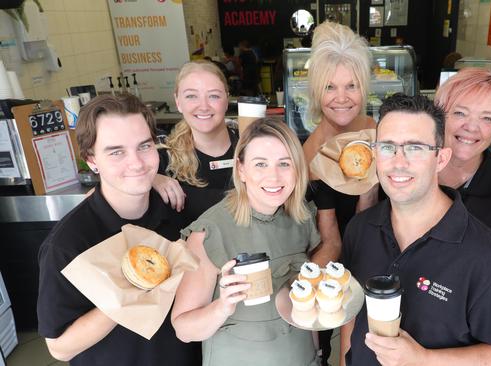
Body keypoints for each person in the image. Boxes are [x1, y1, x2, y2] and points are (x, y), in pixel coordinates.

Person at [340, 93, 491, 366]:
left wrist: (423, 359)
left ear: (441, 159)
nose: (398, 162)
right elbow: (351, 317)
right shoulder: (359, 229)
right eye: (387, 147)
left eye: (415, 148)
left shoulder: (484, 255)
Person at [37, 94, 200, 365]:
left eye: (144, 146)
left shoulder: (177, 211)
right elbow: (60, 348)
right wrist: (126, 293)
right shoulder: (68, 243)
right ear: (91, 159)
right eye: (116, 152)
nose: (136, 162)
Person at [171, 118, 321, 365]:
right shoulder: (210, 231)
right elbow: (184, 330)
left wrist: (317, 353)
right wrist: (222, 306)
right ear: (241, 169)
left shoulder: (300, 219)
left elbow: (305, 310)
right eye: (260, 164)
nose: (273, 176)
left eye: (284, 163)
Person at [301, 21, 378, 364]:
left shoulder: (380, 134)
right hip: (330, 271)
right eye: (330, 86)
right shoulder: (309, 155)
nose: (342, 97)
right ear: (317, 92)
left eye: (352, 85)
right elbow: (324, 240)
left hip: (380, 262)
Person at [435, 67, 491, 242]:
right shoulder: (412, 166)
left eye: (487, 118)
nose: (472, 127)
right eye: (460, 113)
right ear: (439, 117)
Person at [154, 60, 238, 225]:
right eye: (192, 96)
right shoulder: (162, 160)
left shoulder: (251, 148)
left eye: (213, 95)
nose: (204, 106)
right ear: (178, 102)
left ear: (226, 100)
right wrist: (150, 179)